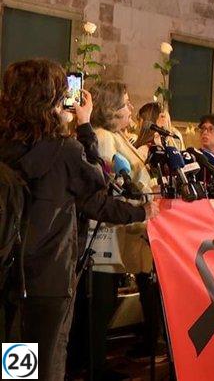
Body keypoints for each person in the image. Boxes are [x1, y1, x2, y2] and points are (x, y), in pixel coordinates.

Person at [0, 59, 155, 381]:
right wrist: (83, 126)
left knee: (16, 357)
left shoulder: (6, 145)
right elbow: (98, 188)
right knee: (49, 357)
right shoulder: (65, 150)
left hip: (9, 270)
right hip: (48, 275)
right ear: (53, 100)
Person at [87, 80, 160, 364]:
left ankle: (95, 363)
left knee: (104, 304)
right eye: (126, 103)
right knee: (100, 304)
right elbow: (111, 187)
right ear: (112, 109)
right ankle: (93, 366)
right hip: (104, 236)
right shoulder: (104, 137)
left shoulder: (118, 135)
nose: (131, 108)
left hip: (118, 233)